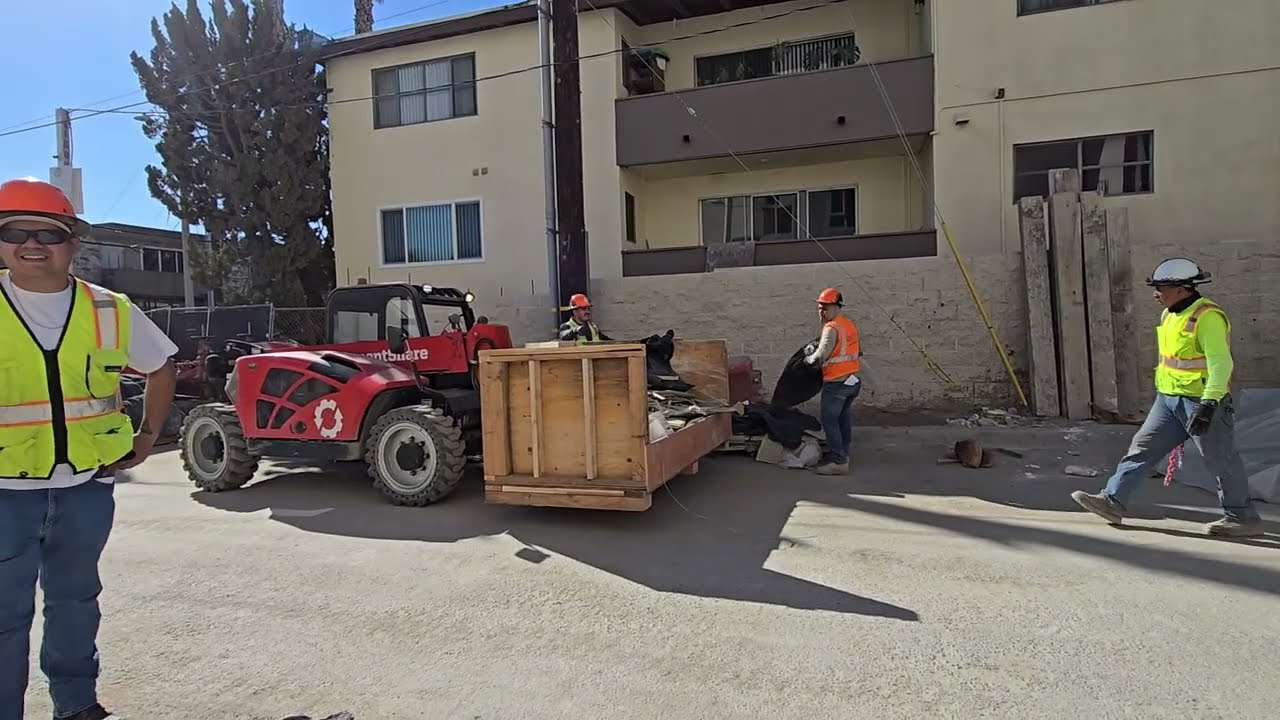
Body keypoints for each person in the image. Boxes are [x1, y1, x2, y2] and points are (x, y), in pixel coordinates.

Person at [0, 177, 179, 720]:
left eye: (47, 234)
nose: (32, 244)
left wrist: (147, 435)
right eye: (15, 232)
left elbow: (161, 366)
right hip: (6, 493)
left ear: (72, 242)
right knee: (5, 617)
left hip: (85, 489)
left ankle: (76, 706)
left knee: (75, 603)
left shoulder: (110, 309)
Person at [1070, 257, 1264, 537]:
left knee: (1221, 460)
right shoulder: (1169, 314)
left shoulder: (1208, 317)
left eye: (1161, 287)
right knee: (1141, 449)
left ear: (1182, 288)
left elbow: (1221, 364)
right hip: (1169, 400)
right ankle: (1112, 500)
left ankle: (1243, 517)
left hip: (1203, 402)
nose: (1155, 293)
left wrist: (1209, 404)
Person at [803, 288, 862, 475]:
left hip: (836, 383)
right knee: (842, 419)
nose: (822, 311)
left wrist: (807, 358)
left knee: (829, 422)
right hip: (851, 381)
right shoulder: (847, 324)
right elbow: (855, 351)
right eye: (820, 307)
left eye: (826, 307)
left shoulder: (831, 328)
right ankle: (844, 453)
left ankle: (839, 462)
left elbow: (820, 357)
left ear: (837, 307)